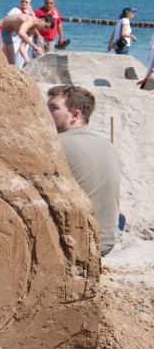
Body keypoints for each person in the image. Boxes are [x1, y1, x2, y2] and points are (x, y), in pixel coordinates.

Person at [46, 85, 121, 256]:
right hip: (107, 242)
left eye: (53, 108)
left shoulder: (55, 144)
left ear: (75, 115)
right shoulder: (108, 146)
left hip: (75, 245)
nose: (44, 112)